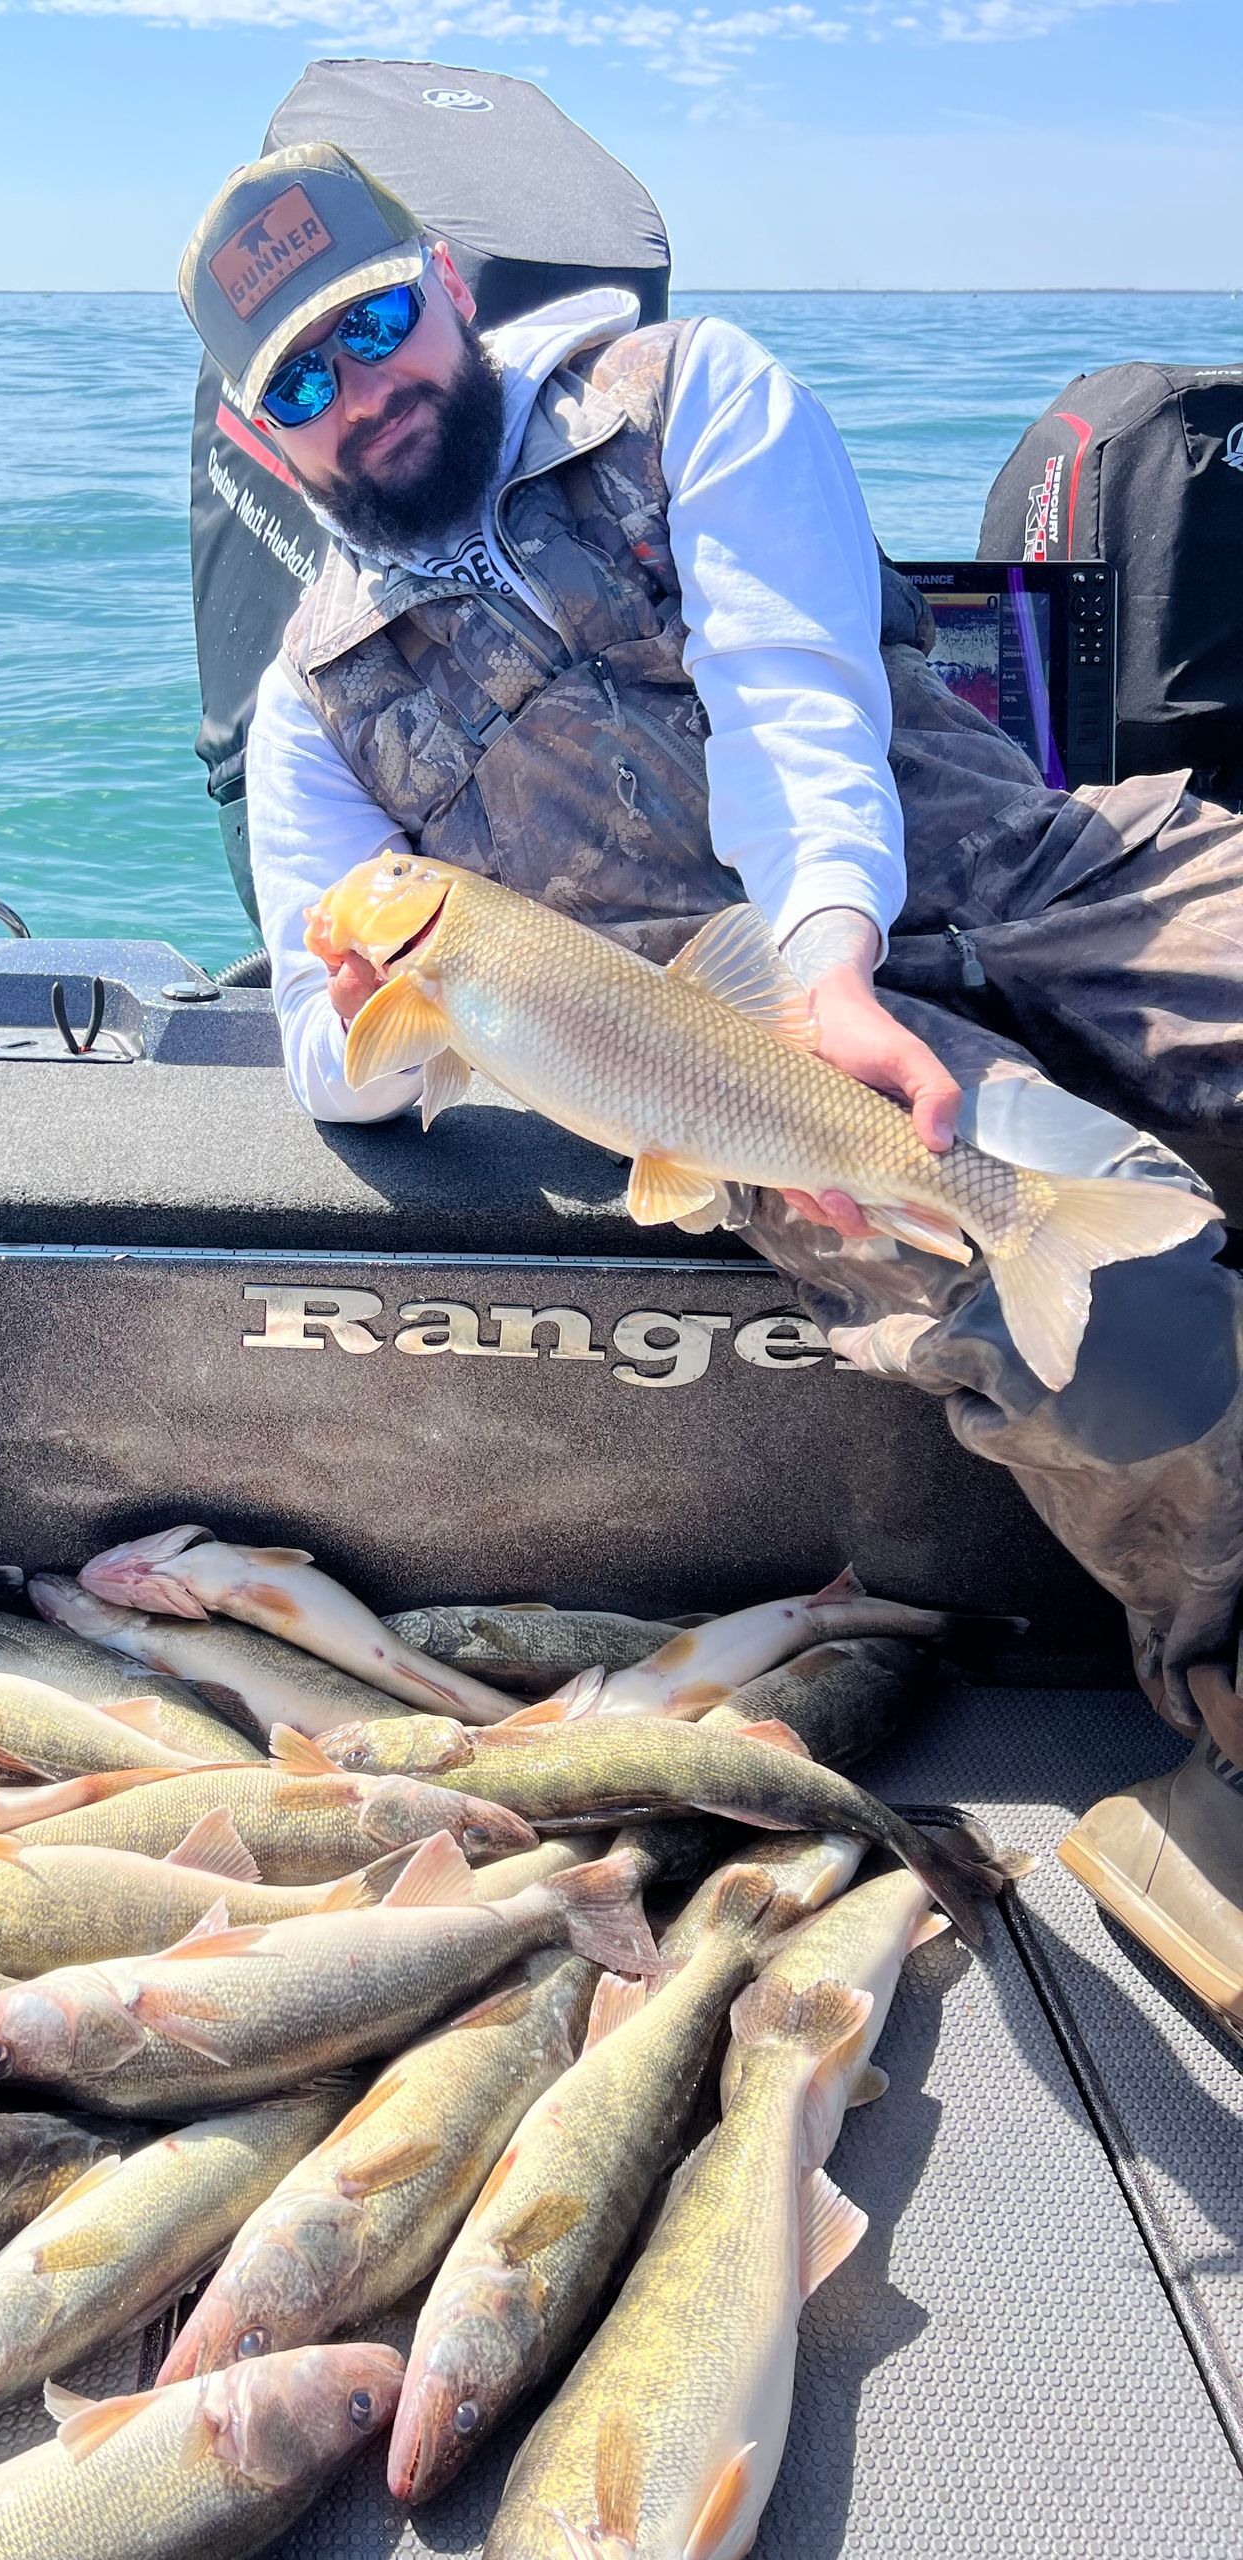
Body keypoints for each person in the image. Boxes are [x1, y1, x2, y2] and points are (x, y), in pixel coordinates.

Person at [176, 140, 1243, 2034]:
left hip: (1017, 882)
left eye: (375, 322)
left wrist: (832, 952)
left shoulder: (691, 392)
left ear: (445, 282)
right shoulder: (309, 717)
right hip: (736, 1075)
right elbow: (334, 1073)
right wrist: (379, 1008)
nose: (363, 388)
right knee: (1133, 1323)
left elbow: (790, 696)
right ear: (263, 442)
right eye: (304, 381)